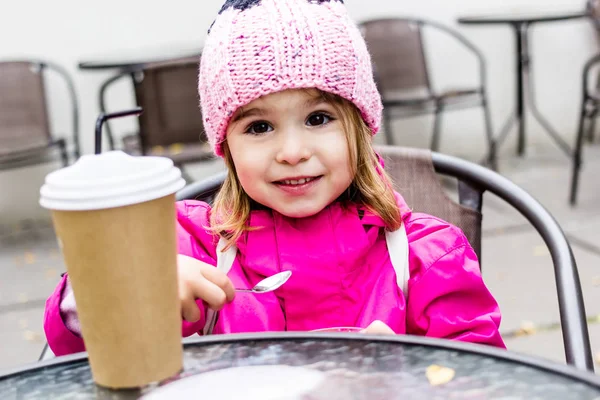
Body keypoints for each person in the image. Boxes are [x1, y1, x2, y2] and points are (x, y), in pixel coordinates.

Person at [44, 0, 505, 356]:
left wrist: (405, 378)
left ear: (361, 127)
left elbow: (480, 380)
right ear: (226, 146)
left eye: (319, 118)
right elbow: (83, 347)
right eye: (259, 127)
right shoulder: (188, 246)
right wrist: (125, 282)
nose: (292, 153)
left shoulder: (429, 259)